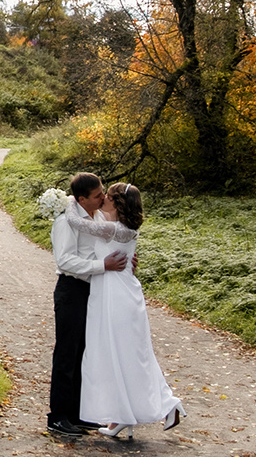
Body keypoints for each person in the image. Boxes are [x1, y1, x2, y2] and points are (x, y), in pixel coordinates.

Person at [76, 182, 182, 441]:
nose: (102, 199)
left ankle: (165, 405)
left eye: (108, 196)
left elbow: (80, 223)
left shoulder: (117, 230)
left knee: (124, 354)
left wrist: (67, 203)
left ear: (117, 202)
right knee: (118, 355)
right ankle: (122, 417)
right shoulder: (112, 224)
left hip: (119, 296)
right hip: (109, 293)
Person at [46, 171, 128, 437]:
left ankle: (77, 414)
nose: (103, 197)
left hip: (93, 290)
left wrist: (125, 261)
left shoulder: (98, 216)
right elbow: (65, 261)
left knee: (84, 353)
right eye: (97, 195)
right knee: (67, 354)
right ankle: (57, 417)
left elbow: (110, 243)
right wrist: (101, 266)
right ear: (81, 199)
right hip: (71, 290)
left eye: (102, 191)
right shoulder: (65, 223)